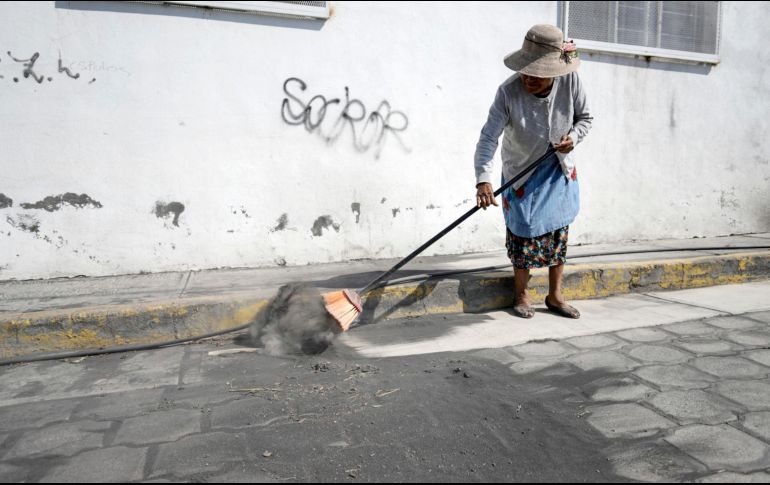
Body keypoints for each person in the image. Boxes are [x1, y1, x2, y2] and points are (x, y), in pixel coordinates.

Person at [474, 24, 592, 319]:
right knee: (522, 231)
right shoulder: (508, 92)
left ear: (554, 71)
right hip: (522, 172)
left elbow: (585, 119)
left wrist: (573, 137)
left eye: (538, 75)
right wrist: (483, 180)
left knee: (558, 232)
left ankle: (555, 295)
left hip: (557, 168)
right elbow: (488, 137)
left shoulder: (570, 81)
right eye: (526, 72)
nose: (529, 79)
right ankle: (521, 294)